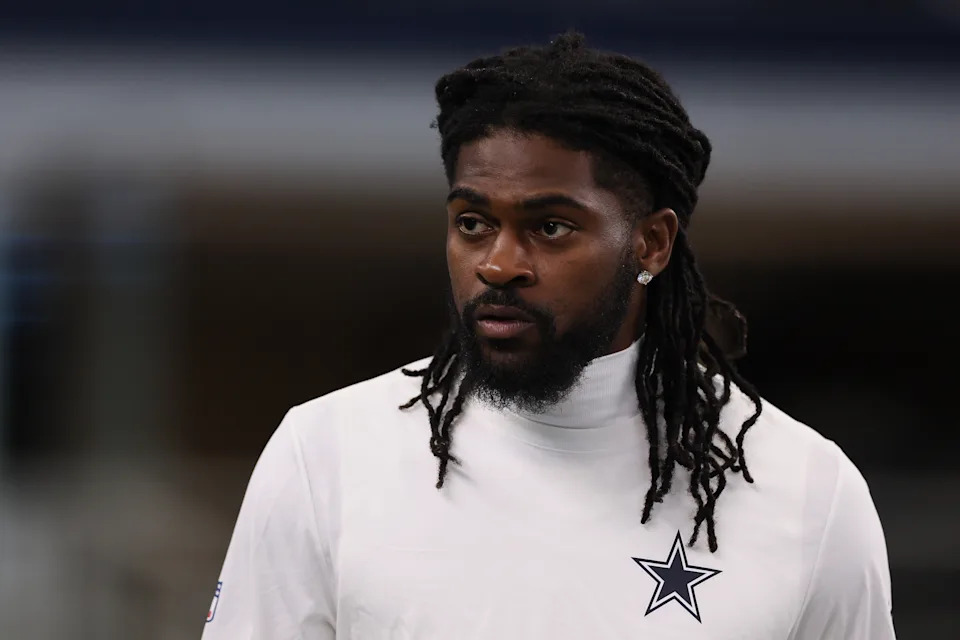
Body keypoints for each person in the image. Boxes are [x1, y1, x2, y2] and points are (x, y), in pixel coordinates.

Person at [201, 33, 895, 639]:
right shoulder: (324, 454)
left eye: (550, 227)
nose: (499, 264)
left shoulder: (808, 491)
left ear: (651, 244)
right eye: (473, 223)